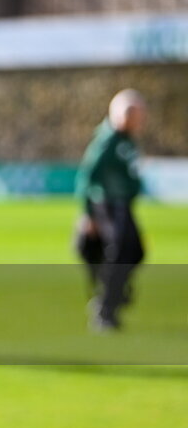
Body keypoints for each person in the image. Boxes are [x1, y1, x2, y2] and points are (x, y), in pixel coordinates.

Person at [73, 88, 147, 331]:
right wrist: (88, 213)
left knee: (135, 251)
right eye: (135, 114)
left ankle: (115, 290)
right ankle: (105, 309)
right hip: (108, 205)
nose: (140, 119)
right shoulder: (108, 140)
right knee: (119, 253)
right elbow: (88, 175)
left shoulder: (127, 139)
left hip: (122, 205)